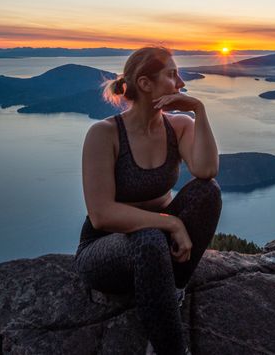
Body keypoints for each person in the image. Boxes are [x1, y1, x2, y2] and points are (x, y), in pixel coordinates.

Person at [74, 46, 222, 355]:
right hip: (105, 249)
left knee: (208, 192)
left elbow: (206, 171)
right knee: (150, 238)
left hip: (157, 243)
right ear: (145, 84)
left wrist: (201, 110)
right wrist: (172, 224)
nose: (180, 83)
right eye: (171, 74)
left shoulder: (179, 126)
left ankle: (171, 290)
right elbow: (101, 214)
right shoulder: (104, 134)